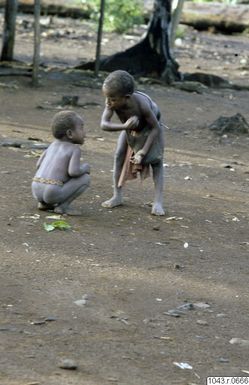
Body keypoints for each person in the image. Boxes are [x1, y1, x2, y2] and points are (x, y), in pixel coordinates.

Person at [100, 70, 165, 216]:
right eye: (106, 97)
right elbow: (104, 124)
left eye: (112, 99)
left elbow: (155, 128)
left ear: (126, 97)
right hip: (129, 129)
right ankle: (117, 195)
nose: (107, 102)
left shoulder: (142, 106)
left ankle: (158, 201)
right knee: (119, 156)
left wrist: (142, 152)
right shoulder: (112, 102)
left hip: (151, 128)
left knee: (156, 161)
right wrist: (124, 127)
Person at [32, 110, 90, 215]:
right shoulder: (74, 149)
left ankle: (43, 204)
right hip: (52, 191)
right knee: (85, 178)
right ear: (70, 133)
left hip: (36, 188)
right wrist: (85, 168)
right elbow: (73, 172)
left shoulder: (52, 145)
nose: (85, 133)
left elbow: (38, 165)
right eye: (81, 128)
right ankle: (63, 207)